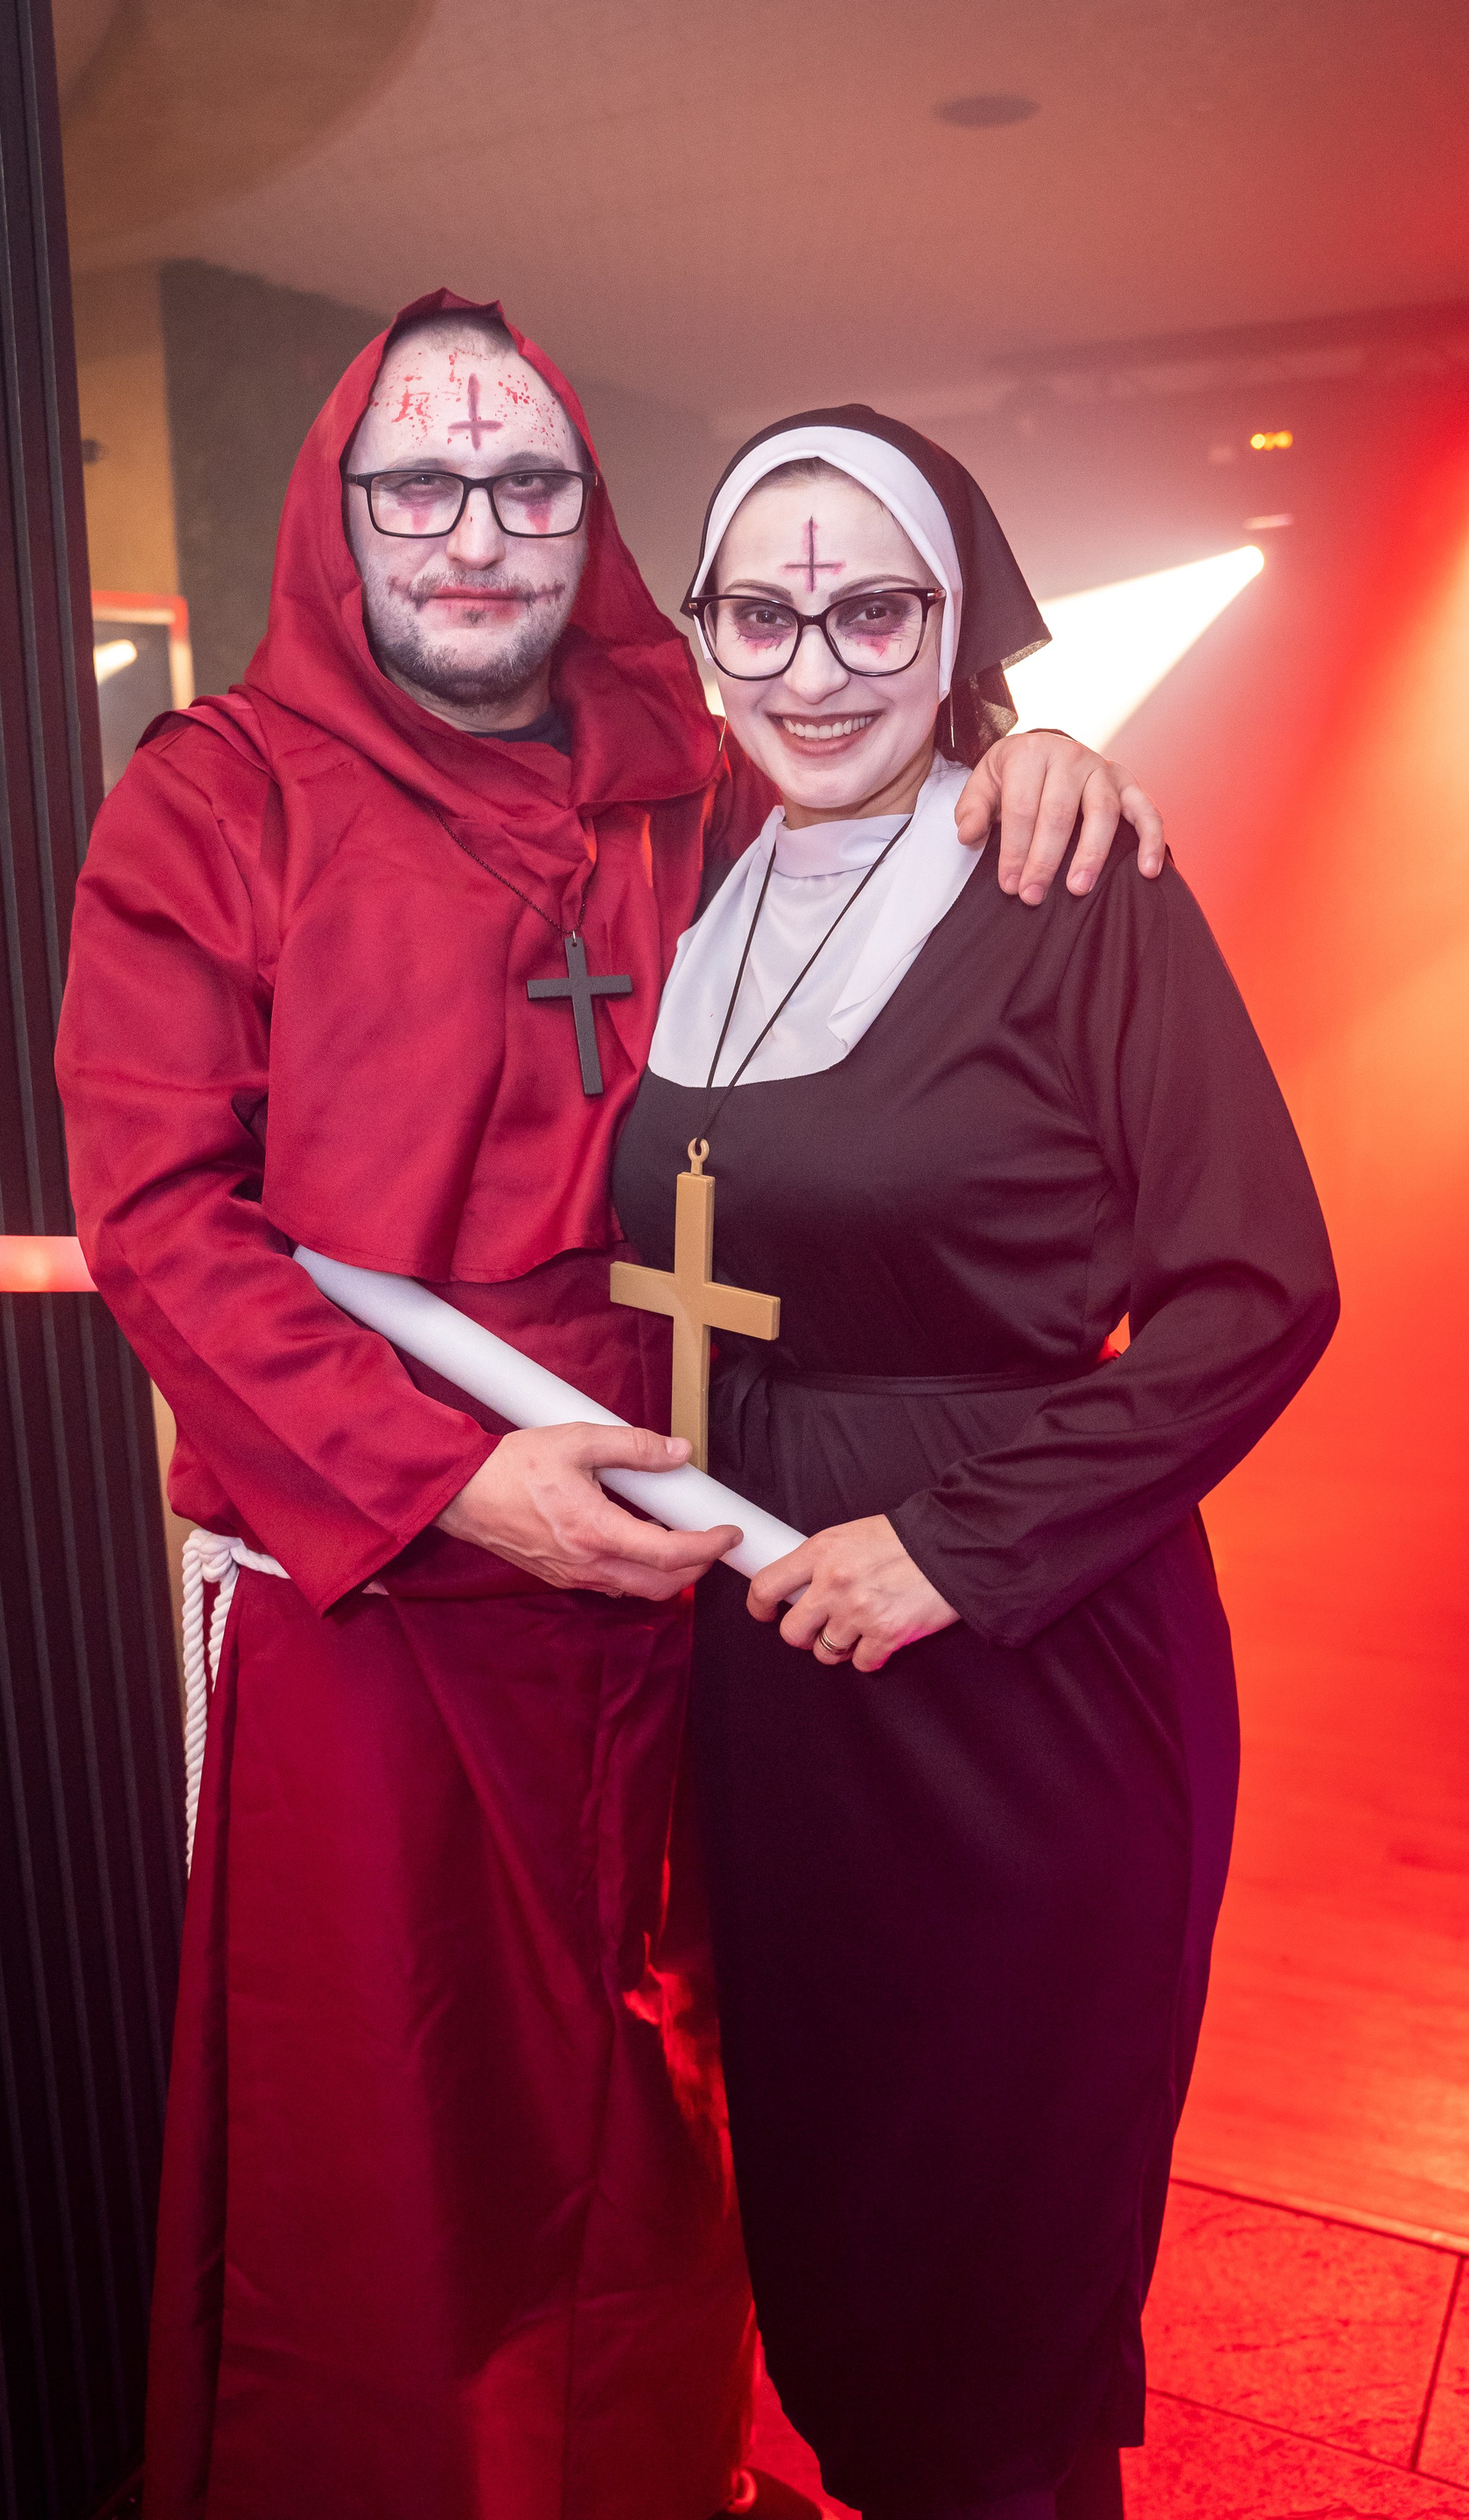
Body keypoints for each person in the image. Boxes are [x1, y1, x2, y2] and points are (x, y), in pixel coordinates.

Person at [57, 297, 1163, 2520]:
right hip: (390, 1594)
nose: (476, 532)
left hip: (703, 1570)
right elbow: (160, 1216)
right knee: (397, 2151)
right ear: (338, 516)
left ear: (593, 521)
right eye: (421, 484)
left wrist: (1024, 755)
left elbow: (891, 843)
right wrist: (460, 1482)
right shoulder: (217, 798)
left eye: (528, 484)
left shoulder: (700, 775)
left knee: (689, 2107)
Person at [611, 410, 1339, 2520]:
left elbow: (1257, 1292)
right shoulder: (681, 883)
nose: (815, 665)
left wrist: (950, 1546)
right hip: (767, 1670)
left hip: (1019, 1673)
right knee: (837, 2226)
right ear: (705, 636)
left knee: (996, 2278)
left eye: (876, 612)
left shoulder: (1068, 882)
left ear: (961, 632)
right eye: (765, 613)